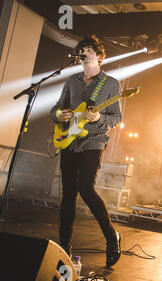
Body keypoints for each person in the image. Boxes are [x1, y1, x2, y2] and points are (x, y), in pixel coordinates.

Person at [50, 35, 122, 268]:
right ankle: (64, 249)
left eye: (88, 50)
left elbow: (117, 118)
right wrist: (58, 115)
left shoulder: (110, 83)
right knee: (68, 194)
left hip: (94, 141)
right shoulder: (72, 81)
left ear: (99, 56)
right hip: (70, 141)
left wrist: (100, 117)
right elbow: (57, 108)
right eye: (80, 50)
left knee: (86, 189)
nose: (83, 53)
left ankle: (112, 238)